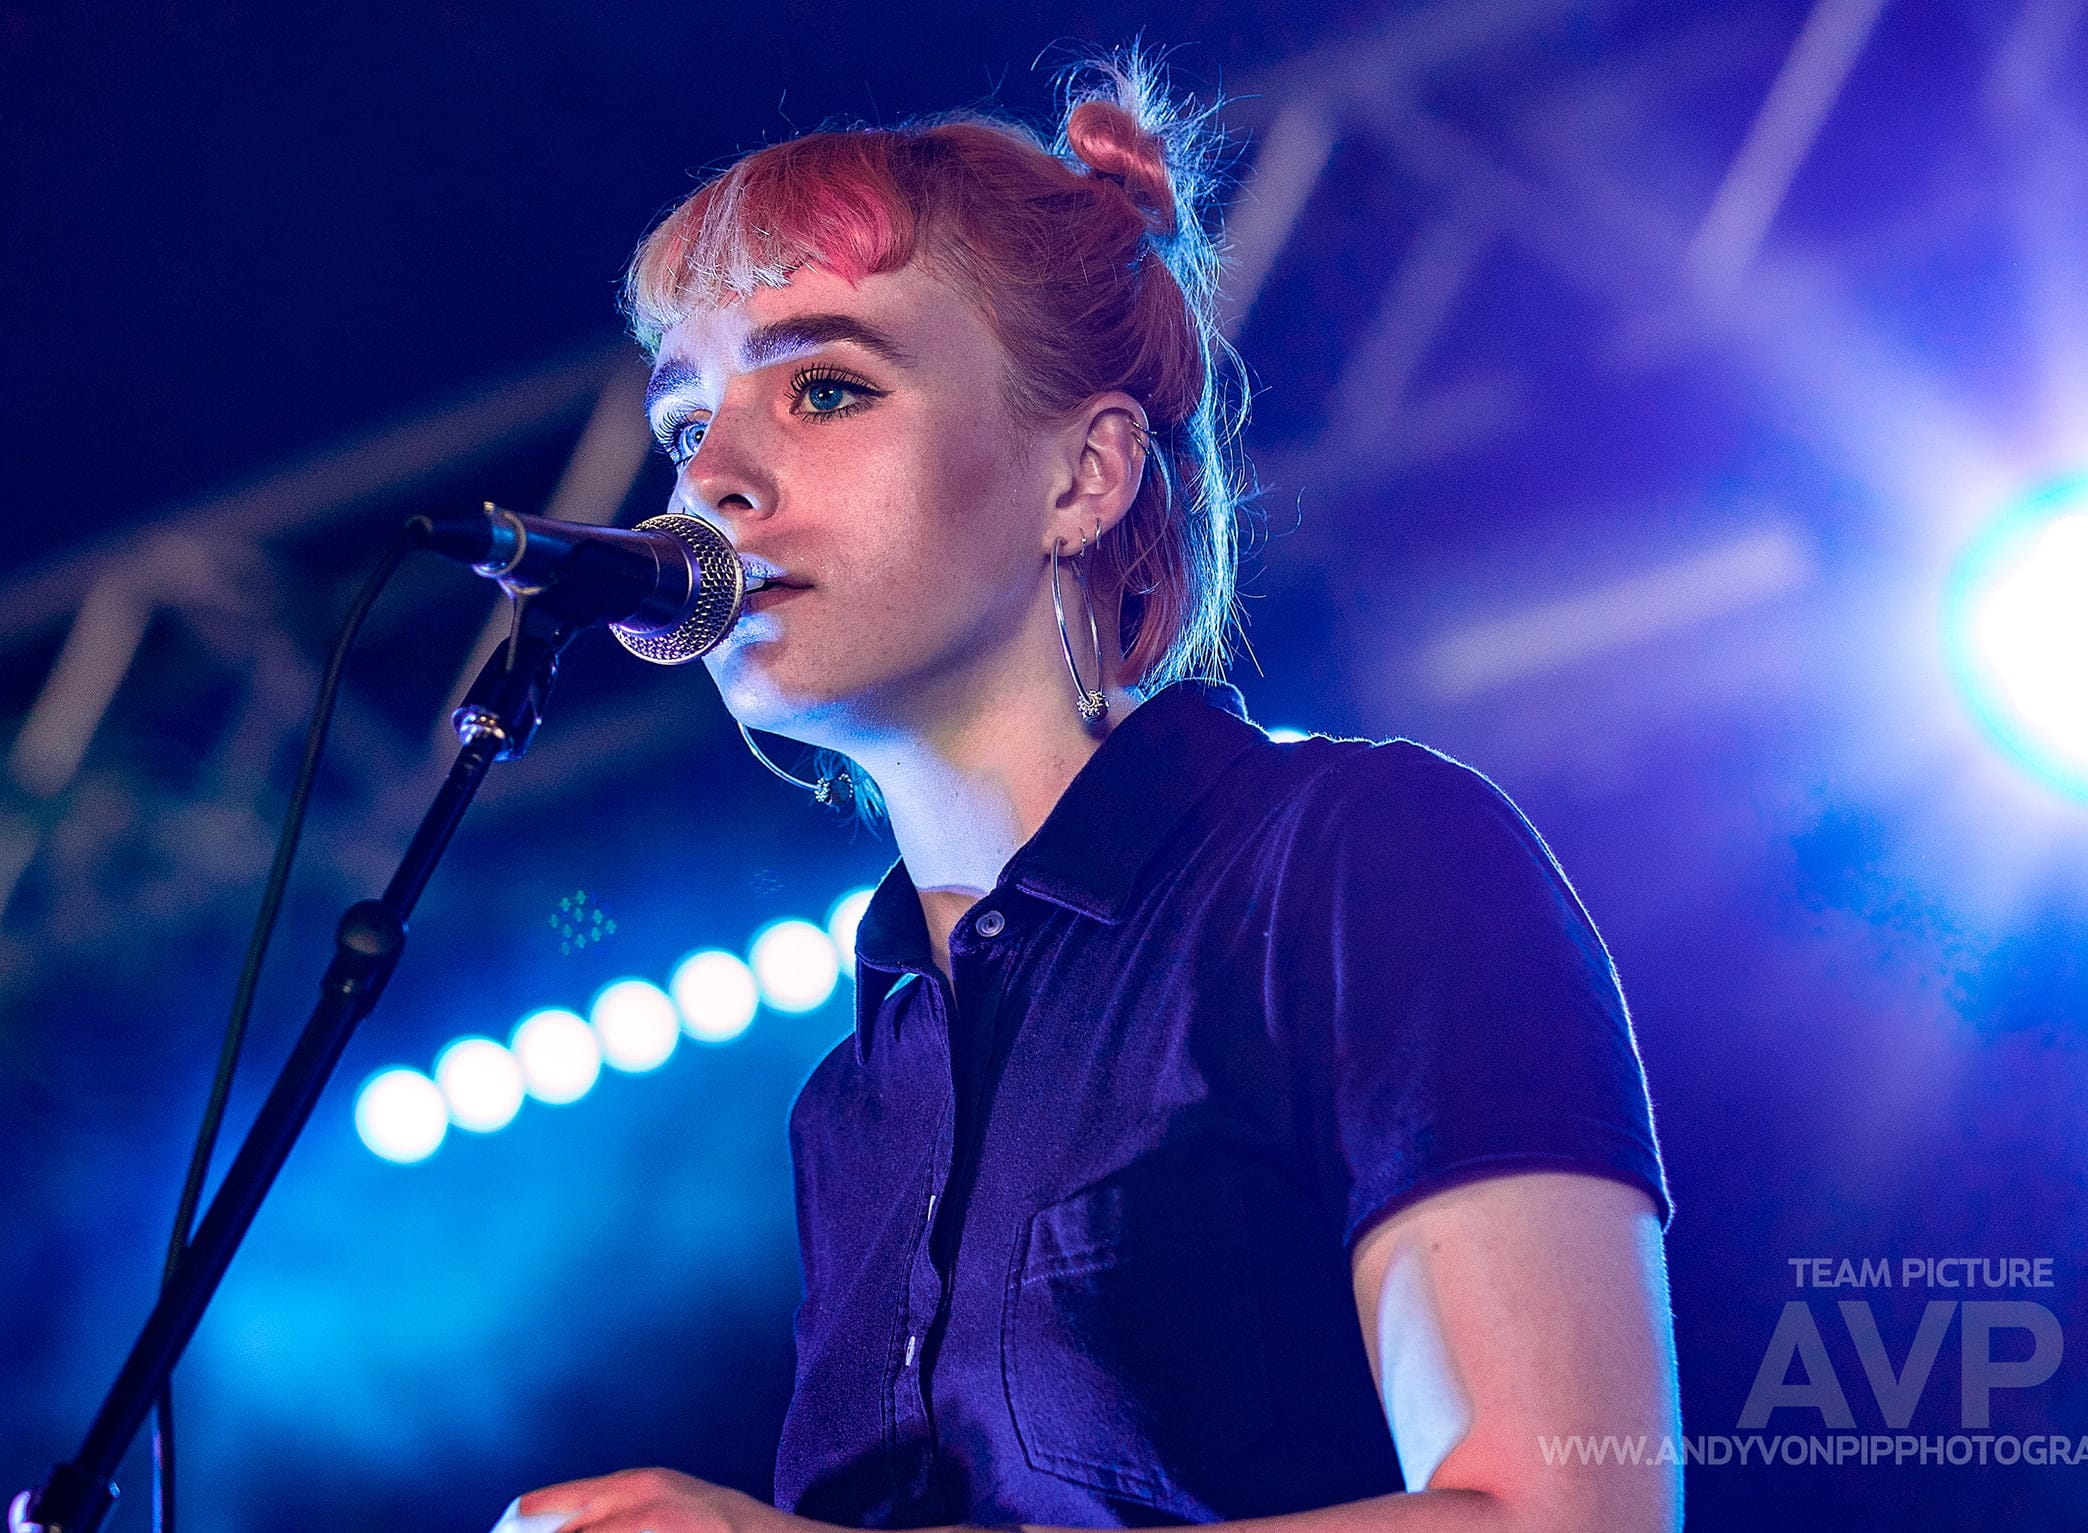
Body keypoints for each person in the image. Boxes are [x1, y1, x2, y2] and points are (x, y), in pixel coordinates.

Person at [512, 52, 1679, 1533]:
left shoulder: (1367, 861)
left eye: (824, 386)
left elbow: (1565, 1521)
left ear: (1085, 476)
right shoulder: (854, 1101)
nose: (712, 482)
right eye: (684, 424)